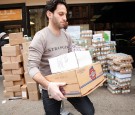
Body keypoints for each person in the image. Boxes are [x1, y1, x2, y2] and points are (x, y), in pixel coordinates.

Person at [27, 0, 95, 115]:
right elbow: (31, 68)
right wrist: (49, 85)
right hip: (49, 87)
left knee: (89, 111)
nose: (65, 18)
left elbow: (70, 60)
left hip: (69, 83)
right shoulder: (41, 37)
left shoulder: (66, 36)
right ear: (50, 14)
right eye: (60, 14)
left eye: (65, 14)